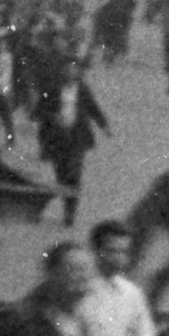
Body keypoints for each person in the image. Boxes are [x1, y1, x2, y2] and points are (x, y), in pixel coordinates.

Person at [35, 60, 109, 224]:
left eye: (74, 70)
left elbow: (93, 108)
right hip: (57, 138)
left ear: (78, 73)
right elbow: (38, 111)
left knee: (74, 173)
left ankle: (70, 213)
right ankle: (66, 206)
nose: (70, 73)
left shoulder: (83, 90)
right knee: (61, 175)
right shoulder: (52, 89)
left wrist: (104, 125)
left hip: (78, 138)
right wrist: (53, 117)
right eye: (67, 69)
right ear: (62, 72)